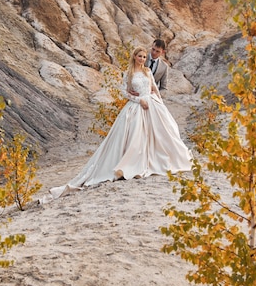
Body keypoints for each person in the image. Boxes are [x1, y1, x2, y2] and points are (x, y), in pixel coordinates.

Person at [49, 46, 192, 199]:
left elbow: (155, 89)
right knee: (135, 135)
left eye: (144, 57)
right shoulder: (129, 73)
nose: (142, 59)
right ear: (134, 57)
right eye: (140, 56)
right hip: (137, 106)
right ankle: (132, 163)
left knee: (164, 131)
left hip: (153, 104)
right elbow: (124, 91)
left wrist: (160, 104)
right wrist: (138, 99)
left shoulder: (148, 72)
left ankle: (160, 160)